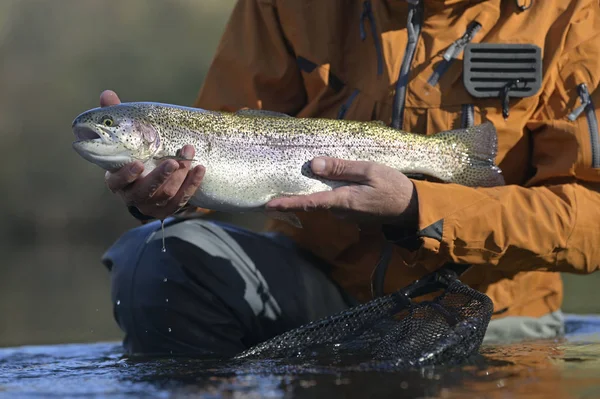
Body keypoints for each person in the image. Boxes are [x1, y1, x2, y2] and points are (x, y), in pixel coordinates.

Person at [100, 0, 600, 356]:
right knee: (154, 259)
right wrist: (164, 192)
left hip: (488, 313)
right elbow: (223, 141)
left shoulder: (576, 16)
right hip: (321, 290)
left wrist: (418, 209)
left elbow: (592, 219)